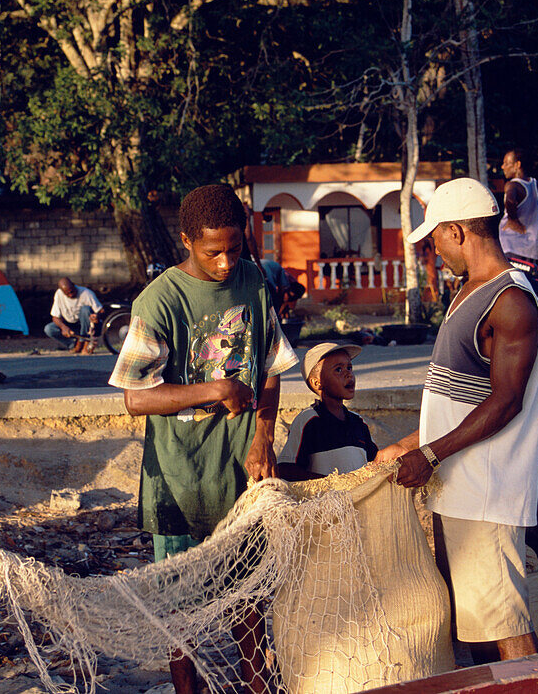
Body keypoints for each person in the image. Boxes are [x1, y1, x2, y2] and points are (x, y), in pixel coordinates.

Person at [108, 184, 298, 694]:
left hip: (242, 477)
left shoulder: (254, 281)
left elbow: (273, 369)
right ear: (187, 240)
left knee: (252, 603)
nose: (225, 261)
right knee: (180, 619)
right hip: (180, 479)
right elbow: (135, 397)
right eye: (213, 251)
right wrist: (211, 389)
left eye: (234, 248)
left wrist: (263, 435)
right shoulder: (160, 300)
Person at [378, 177, 538, 664]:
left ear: (457, 232)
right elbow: (461, 398)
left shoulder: (511, 300)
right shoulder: (468, 293)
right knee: (475, 625)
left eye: (434, 239)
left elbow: (505, 402)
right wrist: (412, 443)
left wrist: (428, 455)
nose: (435, 251)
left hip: (487, 497)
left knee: (506, 625)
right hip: (458, 487)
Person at [277, 342, 377, 481]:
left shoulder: (358, 422)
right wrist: (332, 483)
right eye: (338, 370)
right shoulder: (309, 421)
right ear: (317, 383)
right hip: (325, 500)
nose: (349, 374)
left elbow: (376, 463)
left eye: (349, 367)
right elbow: (286, 470)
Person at [44, 276, 104, 353]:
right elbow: (55, 317)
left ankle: (84, 342)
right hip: (71, 325)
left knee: (85, 309)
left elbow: (101, 310)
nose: (70, 295)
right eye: (67, 293)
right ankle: (73, 345)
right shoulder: (59, 295)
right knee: (49, 329)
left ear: (74, 285)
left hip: (86, 325)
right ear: (62, 292)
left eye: (72, 291)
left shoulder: (86, 293)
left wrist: (96, 316)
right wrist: (64, 327)